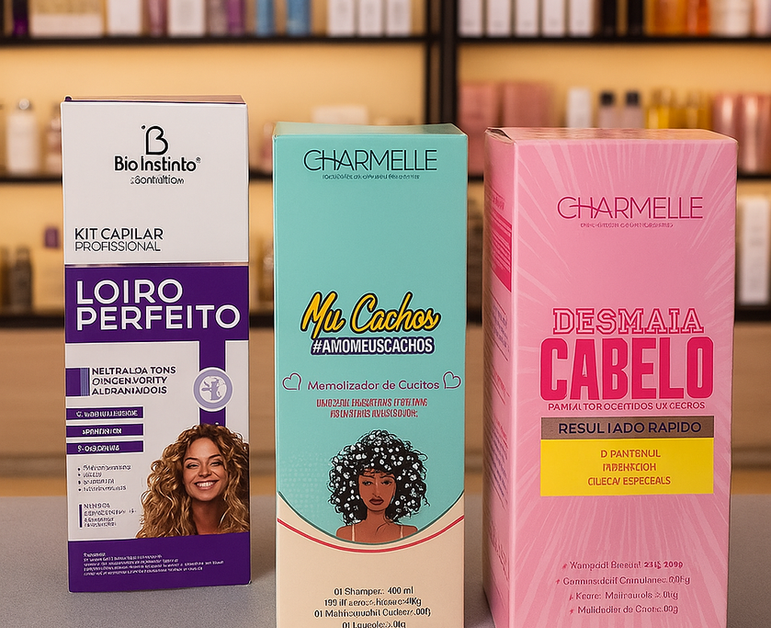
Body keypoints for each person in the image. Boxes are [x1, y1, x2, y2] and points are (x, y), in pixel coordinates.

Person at [137, 423, 249, 537]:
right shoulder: (162, 535)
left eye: (215, 463)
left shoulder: (253, 531)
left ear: (231, 471)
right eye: (193, 465)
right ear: (181, 475)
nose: (204, 472)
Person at [329, 429, 427, 543]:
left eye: (386, 482)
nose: (377, 492)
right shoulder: (345, 534)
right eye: (367, 483)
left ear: (398, 487)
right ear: (355, 486)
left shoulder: (408, 533)